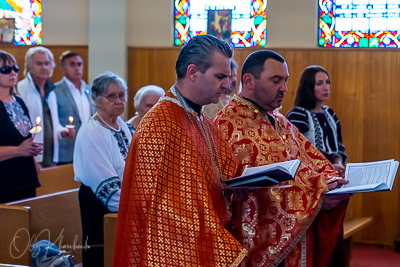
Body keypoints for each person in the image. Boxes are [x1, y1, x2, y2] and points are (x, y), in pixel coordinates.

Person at [113, 35, 247, 266]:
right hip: (179, 251)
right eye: (220, 77)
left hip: (210, 235)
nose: (227, 85)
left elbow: (224, 172)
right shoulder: (160, 125)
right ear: (193, 72)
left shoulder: (201, 118)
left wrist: (241, 185)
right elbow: (163, 215)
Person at [214, 50, 350, 267]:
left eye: (285, 81)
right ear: (248, 80)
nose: (284, 88)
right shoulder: (227, 125)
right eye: (276, 81)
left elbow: (311, 161)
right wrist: (319, 194)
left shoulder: (278, 119)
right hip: (257, 246)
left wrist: (332, 181)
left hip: (295, 240)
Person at [287, 65, 348, 265]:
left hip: (333, 180)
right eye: (319, 83)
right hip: (313, 185)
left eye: (327, 82)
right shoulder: (298, 115)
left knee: (333, 237)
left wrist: (338, 162)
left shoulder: (330, 113)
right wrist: (327, 165)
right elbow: (296, 152)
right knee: (316, 240)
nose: (326, 87)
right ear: (308, 86)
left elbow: (338, 146)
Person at [73, 72, 133, 267]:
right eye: (111, 96)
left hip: (122, 202)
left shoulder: (121, 125)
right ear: (96, 100)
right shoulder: (92, 131)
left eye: (121, 95)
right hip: (100, 203)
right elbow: (105, 183)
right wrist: (132, 210)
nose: (118, 100)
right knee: (99, 255)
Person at [0, 51, 43, 203]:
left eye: (15, 68)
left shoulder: (19, 101)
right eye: (5, 70)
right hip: (4, 182)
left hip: (25, 177)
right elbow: (19, 146)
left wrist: (33, 155)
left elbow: (25, 137)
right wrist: (19, 150)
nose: (13, 73)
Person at [48, 51, 95, 164]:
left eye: (79, 64)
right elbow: (53, 122)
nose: (77, 68)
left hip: (90, 150)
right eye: (72, 64)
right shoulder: (54, 90)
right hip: (67, 150)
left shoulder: (90, 91)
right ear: (63, 68)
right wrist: (62, 131)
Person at [18, 47, 56, 167]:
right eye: (39, 63)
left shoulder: (52, 89)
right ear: (29, 66)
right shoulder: (20, 89)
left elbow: (52, 122)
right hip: (31, 154)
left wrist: (62, 132)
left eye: (47, 63)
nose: (44, 67)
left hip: (51, 153)